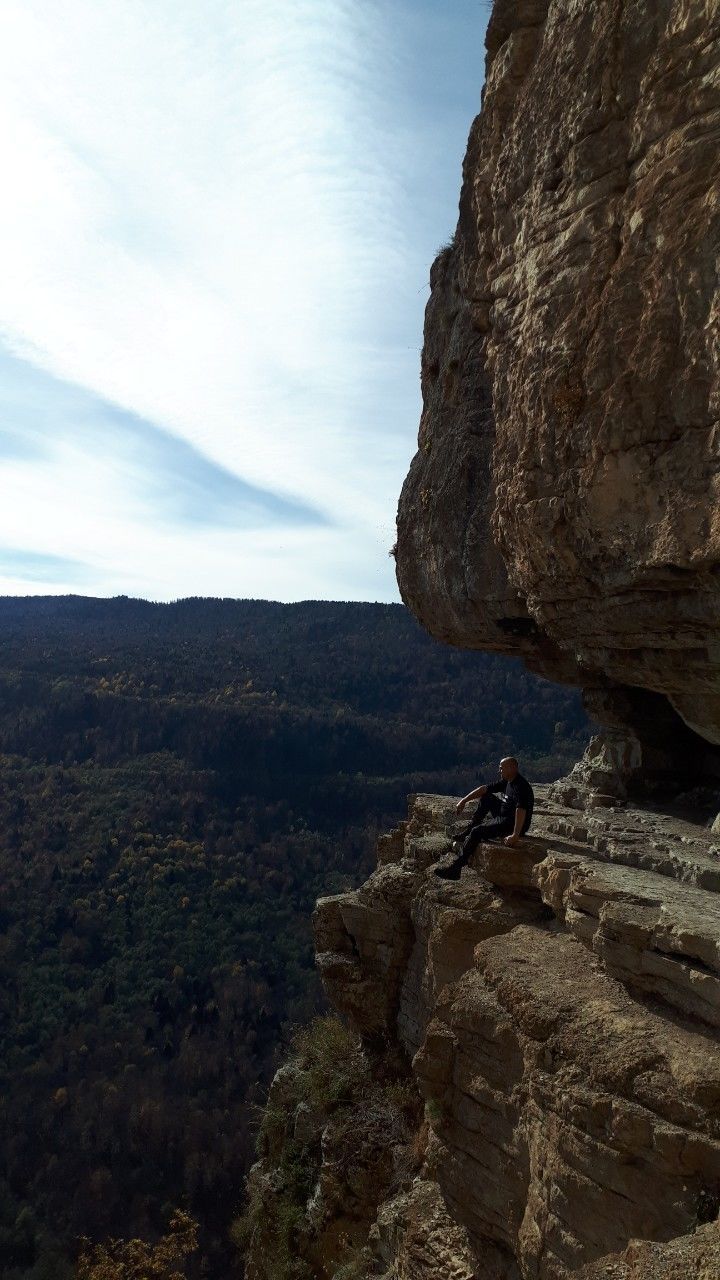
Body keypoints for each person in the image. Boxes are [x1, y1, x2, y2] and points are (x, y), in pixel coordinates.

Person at [434, 756, 534, 880]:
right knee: (486, 797)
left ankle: (456, 868)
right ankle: (468, 831)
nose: (499, 771)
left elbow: (521, 810)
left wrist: (515, 835)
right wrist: (463, 801)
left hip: (511, 822)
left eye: (501, 768)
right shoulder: (507, 781)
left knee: (477, 832)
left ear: (511, 768)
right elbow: (484, 789)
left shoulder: (520, 786)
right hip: (505, 814)